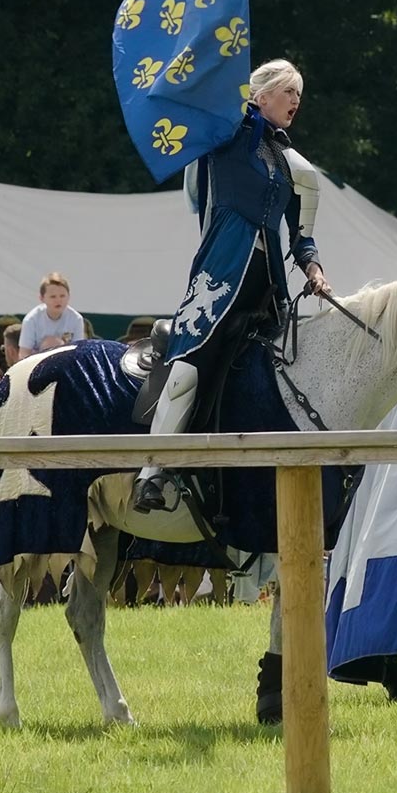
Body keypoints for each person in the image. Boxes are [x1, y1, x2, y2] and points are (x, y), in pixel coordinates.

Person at [137, 59, 332, 512]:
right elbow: (208, 104)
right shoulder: (222, 138)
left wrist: (315, 269)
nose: (296, 101)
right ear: (260, 96)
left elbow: (302, 237)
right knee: (186, 372)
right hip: (217, 281)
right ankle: (152, 472)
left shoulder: (297, 168)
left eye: (299, 94)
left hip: (269, 290)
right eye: (288, 92)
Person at [20, 272, 87, 357]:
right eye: (53, 296)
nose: (58, 300)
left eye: (62, 296)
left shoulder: (76, 319)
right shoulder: (31, 320)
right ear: (42, 298)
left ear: (69, 296)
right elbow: (24, 353)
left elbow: (78, 351)